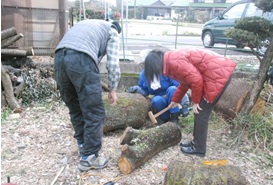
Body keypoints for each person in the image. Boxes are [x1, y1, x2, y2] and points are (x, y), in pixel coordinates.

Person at [54, 19, 122, 171]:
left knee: (75, 107)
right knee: (94, 111)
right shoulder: (113, 31)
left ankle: (83, 146)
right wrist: (112, 89)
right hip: (81, 58)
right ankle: (90, 156)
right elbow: (113, 64)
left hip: (59, 58)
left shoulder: (89, 24)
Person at [143, 48, 236, 157]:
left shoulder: (174, 62)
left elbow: (196, 80)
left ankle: (199, 148)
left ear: (154, 65)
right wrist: (175, 100)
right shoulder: (171, 61)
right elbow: (186, 82)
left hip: (218, 75)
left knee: (201, 113)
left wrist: (196, 102)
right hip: (216, 74)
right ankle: (196, 143)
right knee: (199, 113)